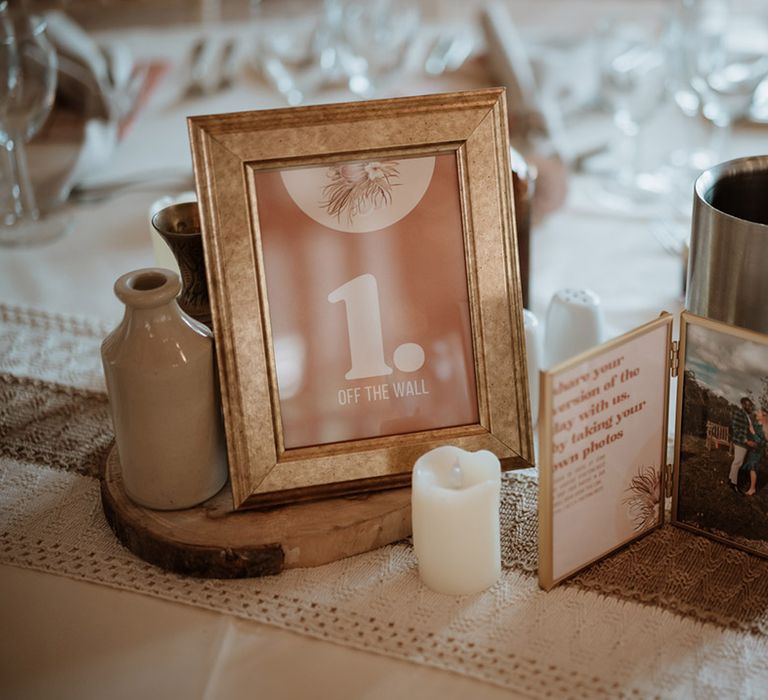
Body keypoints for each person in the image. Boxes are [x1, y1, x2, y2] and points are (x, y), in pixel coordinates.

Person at [728, 397, 759, 493]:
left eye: (751, 405)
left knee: (739, 462)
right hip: (741, 442)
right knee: (738, 462)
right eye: (748, 405)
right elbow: (736, 430)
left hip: (744, 443)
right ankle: (733, 484)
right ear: (743, 405)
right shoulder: (739, 413)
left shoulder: (747, 416)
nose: (750, 407)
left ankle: (730, 480)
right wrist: (746, 441)